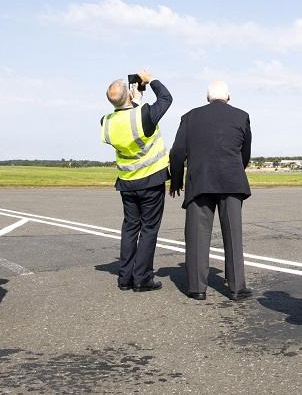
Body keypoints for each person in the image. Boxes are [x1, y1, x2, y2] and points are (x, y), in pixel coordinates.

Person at [169, 81, 252, 301]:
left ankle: (197, 287)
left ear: (207, 97)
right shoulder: (241, 116)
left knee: (197, 235)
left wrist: (176, 179)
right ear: (229, 97)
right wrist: (235, 169)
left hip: (200, 181)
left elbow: (177, 152)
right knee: (233, 235)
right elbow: (246, 152)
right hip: (231, 181)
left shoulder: (190, 117)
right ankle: (236, 287)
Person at [101, 70, 172, 292]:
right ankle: (142, 278)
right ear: (129, 96)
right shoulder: (144, 115)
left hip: (127, 182)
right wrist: (150, 81)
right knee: (149, 229)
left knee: (130, 228)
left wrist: (135, 102)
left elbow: (127, 121)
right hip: (151, 179)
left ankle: (125, 277)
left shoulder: (106, 122)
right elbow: (166, 98)